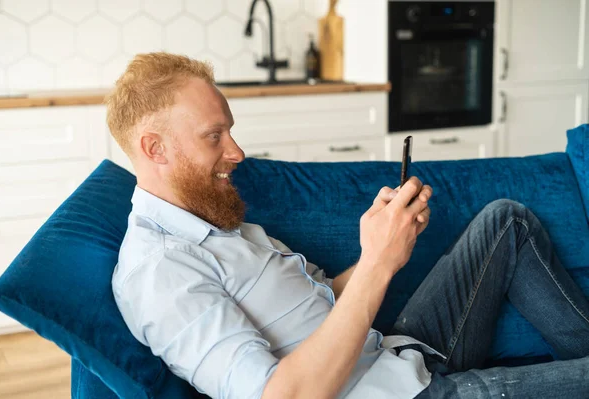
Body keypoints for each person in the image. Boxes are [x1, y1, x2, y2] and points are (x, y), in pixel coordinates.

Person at [109, 52, 589, 399]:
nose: (236, 152)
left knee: (506, 222)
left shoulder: (213, 219)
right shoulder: (160, 272)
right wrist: (379, 266)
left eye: (229, 131)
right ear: (156, 149)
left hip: (397, 357)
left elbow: (324, 304)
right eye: (214, 136)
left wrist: (380, 243)